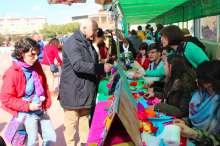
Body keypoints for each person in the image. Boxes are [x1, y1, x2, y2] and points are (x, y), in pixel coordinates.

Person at [58, 18, 113, 146]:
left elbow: (90, 63)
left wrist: (102, 65)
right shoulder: (72, 43)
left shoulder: (87, 41)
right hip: (73, 90)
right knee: (70, 122)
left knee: (84, 119)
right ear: (84, 29)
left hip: (85, 88)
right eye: (94, 30)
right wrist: (101, 68)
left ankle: (85, 143)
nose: (96, 33)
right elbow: (78, 65)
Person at [0, 37, 56, 146]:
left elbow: (44, 84)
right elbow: (5, 99)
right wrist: (28, 106)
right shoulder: (11, 73)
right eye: (32, 55)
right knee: (32, 142)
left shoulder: (36, 65)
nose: (36, 58)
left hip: (41, 109)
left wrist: (47, 101)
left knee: (51, 138)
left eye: (37, 54)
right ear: (21, 53)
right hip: (27, 113)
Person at [134, 25, 209, 79]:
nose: (161, 39)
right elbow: (162, 70)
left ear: (172, 36)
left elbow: (207, 66)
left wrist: (200, 80)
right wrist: (144, 73)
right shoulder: (172, 53)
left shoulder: (190, 47)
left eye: (163, 36)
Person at [173, 60, 220, 146]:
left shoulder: (217, 104)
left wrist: (196, 134)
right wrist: (185, 122)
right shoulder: (201, 94)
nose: (196, 80)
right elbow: (196, 119)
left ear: (210, 82)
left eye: (199, 78)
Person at [145, 54, 196, 118]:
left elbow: (182, 113)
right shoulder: (171, 78)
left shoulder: (186, 85)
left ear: (171, 66)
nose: (163, 67)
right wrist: (155, 94)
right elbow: (170, 96)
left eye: (165, 64)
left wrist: (158, 106)